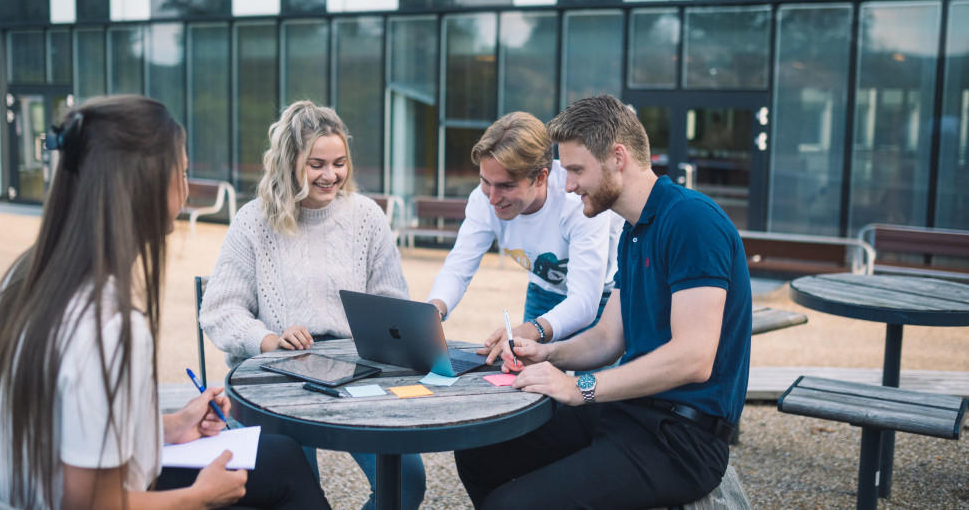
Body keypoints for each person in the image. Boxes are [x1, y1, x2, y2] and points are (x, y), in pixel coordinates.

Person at [0, 96, 329, 509]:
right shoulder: (109, 326)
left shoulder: (27, 277)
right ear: (146, 186)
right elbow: (93, 506)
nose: (186, 191)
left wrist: (170, 426)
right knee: (276, 477)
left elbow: (69, 426)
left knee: (281, 456)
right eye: (182, 173)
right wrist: (199, 497)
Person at [454, 95, 752, 509]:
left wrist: (581, 387)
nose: (568, 184)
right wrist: (546, 351)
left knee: (513, 505)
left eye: (576, 170)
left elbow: (693, 358)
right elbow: (608, 338)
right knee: (479, 451)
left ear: (617, 157)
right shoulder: (634, 231)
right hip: (631, 412)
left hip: (682, 441)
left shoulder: (691, 220)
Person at [200, 100, 426, 510]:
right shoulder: (254, 221)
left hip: (356, 369)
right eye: (316, 164)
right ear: (290, 162)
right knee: (300, 493)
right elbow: (219, 310)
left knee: (407, 482)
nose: (331, 175)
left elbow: (393, 303)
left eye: (339, 162)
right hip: (277, 376)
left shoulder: (366, 217)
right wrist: (269, 339)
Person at [425, 111, 622, 362]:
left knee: (595, 392)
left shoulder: (578, 200)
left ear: (540, 177)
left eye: (506, 186)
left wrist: (531, 330)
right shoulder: (483, 198)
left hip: (602, 298)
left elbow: (584, 302)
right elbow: (459, 266)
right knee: (530, 381)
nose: (493, 198)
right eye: (485, 181)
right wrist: (435, 310)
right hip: (544, 288)